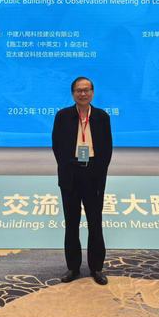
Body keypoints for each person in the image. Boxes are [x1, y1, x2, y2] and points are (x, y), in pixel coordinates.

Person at [51, 76, 113, 285]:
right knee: (71, 223)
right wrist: (67, 166)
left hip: (94, 175)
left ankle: (96, 268)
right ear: (73, 94)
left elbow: (107, 149)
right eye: (79, 90)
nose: (83, 94)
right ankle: (73, 267)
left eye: (86, 90)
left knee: (95, 223)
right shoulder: (63, 116)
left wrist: (98, 171)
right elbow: (57, 146)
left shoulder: (102, 117)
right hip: (70, 174)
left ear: (92, 93)